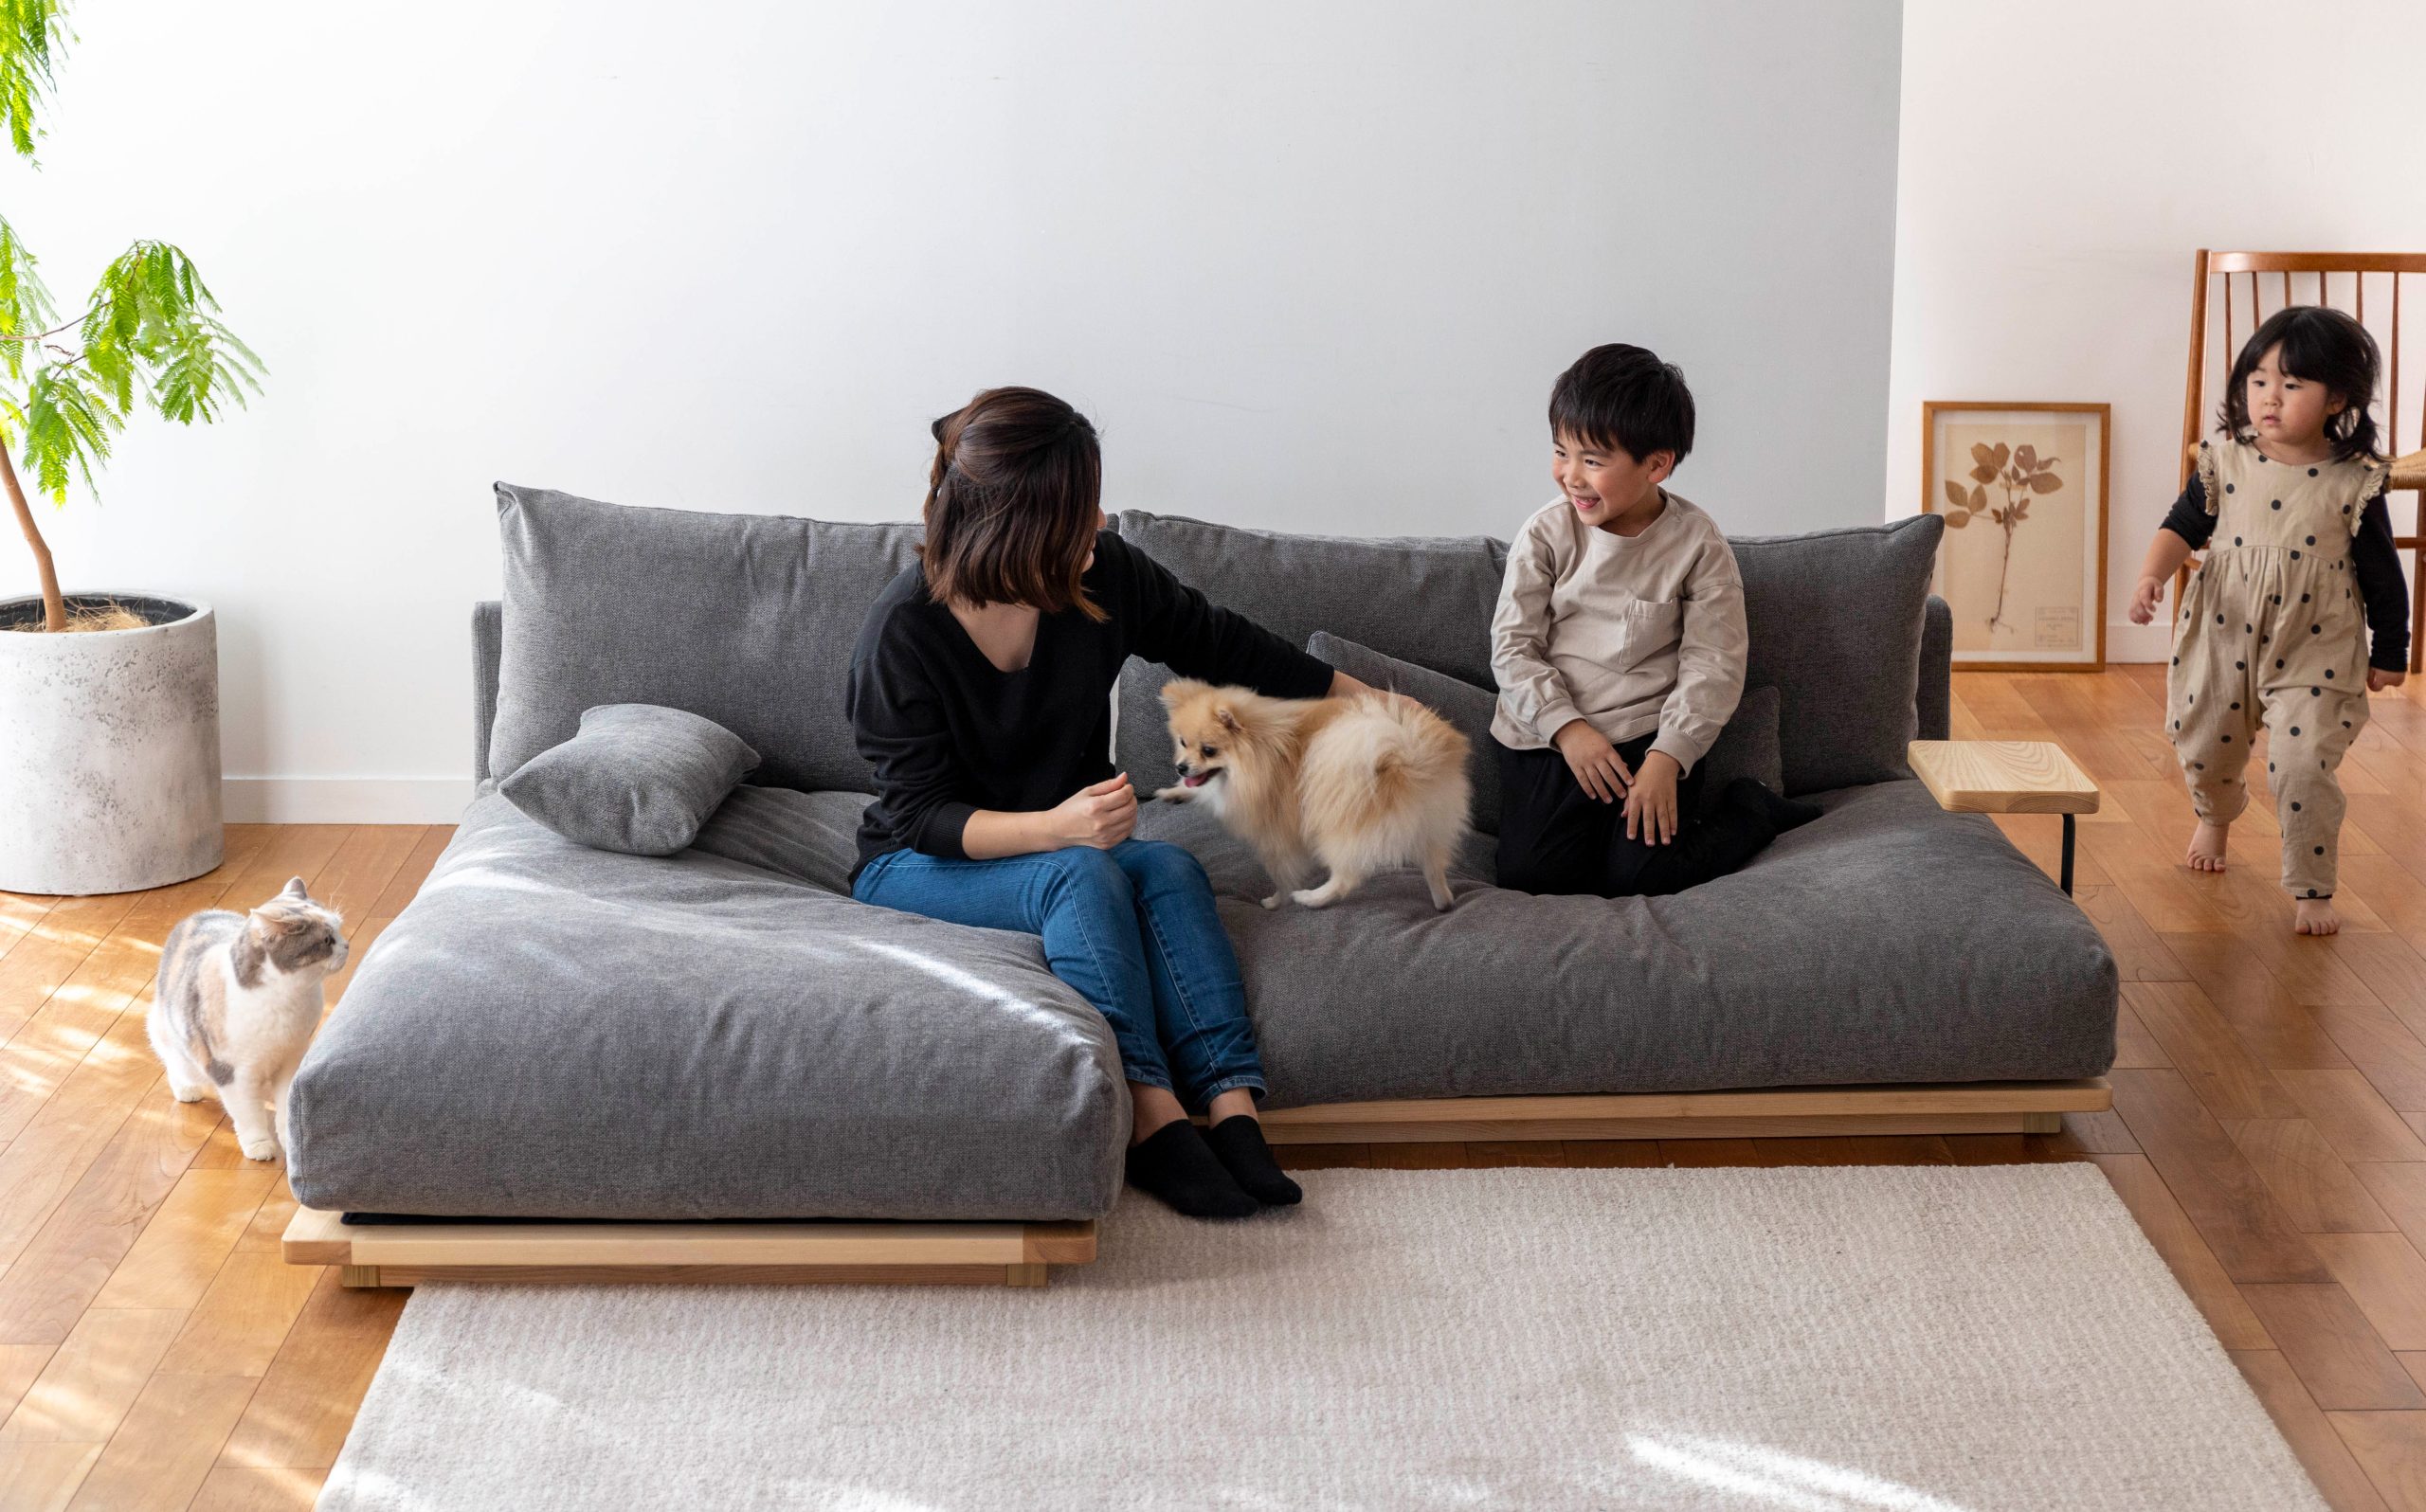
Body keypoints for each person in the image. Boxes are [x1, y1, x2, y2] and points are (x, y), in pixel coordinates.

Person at [847, 385, 1368, 1217]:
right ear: (1017, 528)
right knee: (1082, 876)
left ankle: (1233, 1109)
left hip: (1067, 845)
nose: (1097, 522)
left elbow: (1220, 642)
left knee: (1167, 868)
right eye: (1076, 511)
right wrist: (1057, 828)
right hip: (920, 860)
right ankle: (1151, 1118)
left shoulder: (1104, 576)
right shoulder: (902, 632)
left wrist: (1363, 700)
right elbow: (919, 817)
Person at [1489, 344, 1819, 898]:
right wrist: (1567, 729)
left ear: (1657, 464)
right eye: (1561, 452)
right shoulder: (1545, 535)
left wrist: (1669, 755)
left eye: (1593, 461)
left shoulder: (1698, 545)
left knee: (1642, 877)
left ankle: (1752, 809)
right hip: (1549, 735)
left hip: (1648, 737)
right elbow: (1512, 648)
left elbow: (1714, 663)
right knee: (1533, 876)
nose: (1570, 476)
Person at [2127, 305, 2407, 935]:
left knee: (2303, 764)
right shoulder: (2225, 461)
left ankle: (2312, 885)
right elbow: (2181, 526)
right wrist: (2151, 576)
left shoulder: (2355, 480)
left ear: (2337, 398)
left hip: (2317, 646)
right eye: (2258, 381)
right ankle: (2216, 813)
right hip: (2222, 634)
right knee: (2205, 743)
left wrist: (2393, 650)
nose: (2270, 398)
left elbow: (2384, 576)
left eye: (2292, 384)